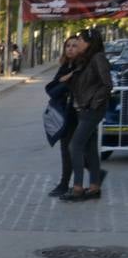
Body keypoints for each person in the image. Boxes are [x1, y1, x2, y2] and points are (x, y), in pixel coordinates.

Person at [61, 27, 113, 201]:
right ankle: (94, 186)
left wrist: (93, 103)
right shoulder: (85, 60)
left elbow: (107, 85)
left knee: (74, 146)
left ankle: (77, 188)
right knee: (90, 149)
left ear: (90, 43)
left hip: (91, 109)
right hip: (82, 109)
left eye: (81, 40)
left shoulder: (98, 58)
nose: (78, 43)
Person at [45, 37, 80, 197]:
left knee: (71, 149)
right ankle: (94, 175)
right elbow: (51, 89)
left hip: (79, 112)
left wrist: (64, 81)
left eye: (74, 46)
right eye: (68, 46)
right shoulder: (66, 66)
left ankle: (66, 184)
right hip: (66, 112)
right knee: (68, 148)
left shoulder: (82, 66)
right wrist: (65, 80)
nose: (70, 49)